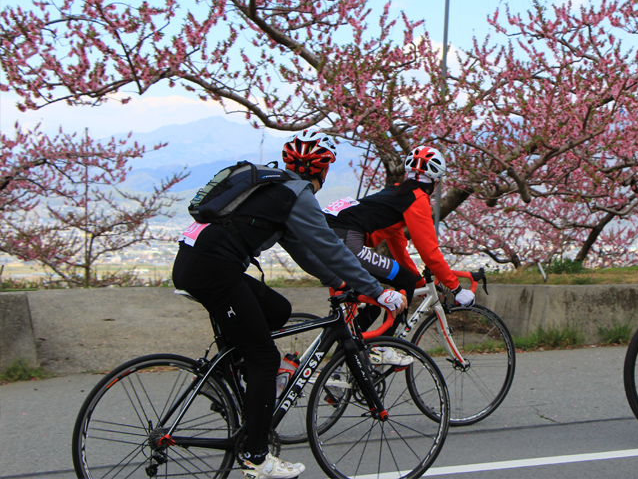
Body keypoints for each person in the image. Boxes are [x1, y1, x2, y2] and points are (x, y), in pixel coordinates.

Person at [172, 129, 407, 479]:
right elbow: (330, 247)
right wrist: (376, 290)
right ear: (322, 169)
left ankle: (228, 377)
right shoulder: (299, 195)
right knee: (265, 358)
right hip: (214, 269)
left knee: (278, 310)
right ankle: (256, 457)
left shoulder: (275, 189)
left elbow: (301, 249)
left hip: (195, 259)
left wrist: (339, 283)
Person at [323, 146, 475, 351]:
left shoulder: (396, 194)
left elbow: (398, 249)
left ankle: (346, 358)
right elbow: (429, 252)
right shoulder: (417, 199)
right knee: (404, 280)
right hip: (348, 240)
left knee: (373, 304)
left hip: (327, 235)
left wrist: (420, 282)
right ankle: (385, 348)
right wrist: (456, 288)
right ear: (436, 180)